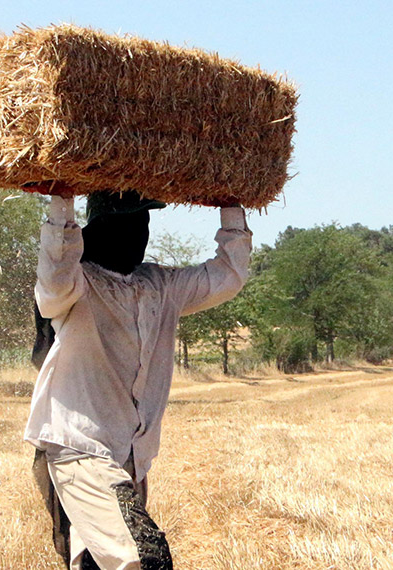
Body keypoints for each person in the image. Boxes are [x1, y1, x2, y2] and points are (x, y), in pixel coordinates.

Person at [26, 185, 251, 569]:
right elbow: (52, 284)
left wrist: (230, 203)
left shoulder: (161, 286)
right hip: (80, 449)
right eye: (128, 220)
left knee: (98, 564)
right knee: (140, 558)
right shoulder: (77, 285)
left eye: (143, 219)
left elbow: (228, 275)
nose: (139, 230)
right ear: (99, 227)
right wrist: (60, 202)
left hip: (133, 456)